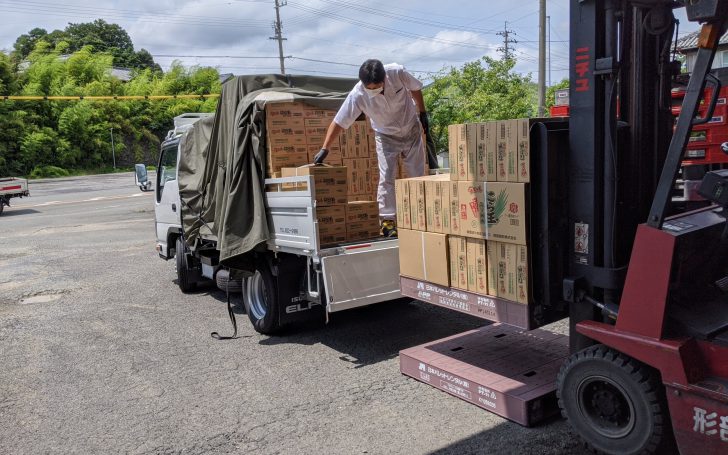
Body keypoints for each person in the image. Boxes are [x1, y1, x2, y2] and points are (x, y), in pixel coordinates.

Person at [319, 59, 429, 237]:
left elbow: (415, 88)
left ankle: (423, 215)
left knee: (417, 174)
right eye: (370, 88)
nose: (374, 90)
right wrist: (325, 148)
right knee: (387, 176)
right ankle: (387, 221)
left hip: (411, 129)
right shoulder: (358, 95)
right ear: (363, 84)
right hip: (386, 137)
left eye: (377, 86)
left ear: (385, 77)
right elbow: (339, 121)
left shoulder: (397, 72)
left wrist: (423, 112)